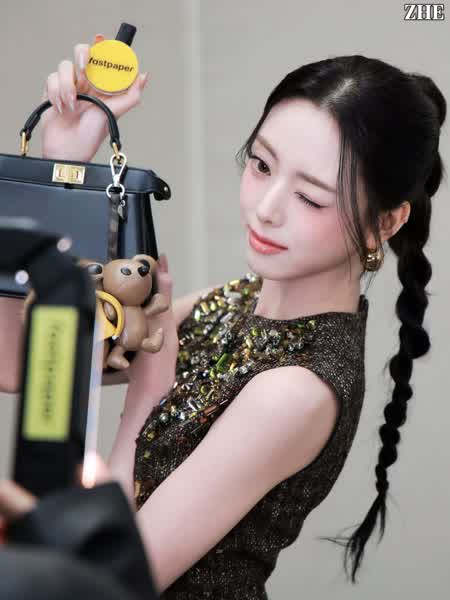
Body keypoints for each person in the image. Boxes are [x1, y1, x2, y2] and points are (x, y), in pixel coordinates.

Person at [0, 34, 445, 598]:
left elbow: (105, 582)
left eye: (311, 198)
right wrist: (57, 170)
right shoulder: (232, 301)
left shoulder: (296, 389)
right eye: (261, 164)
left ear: (386, 223)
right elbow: (17, 363)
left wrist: (145, 399)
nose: (266, 208)